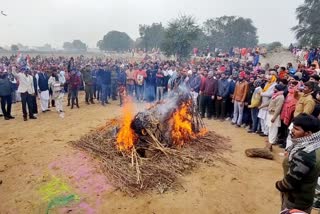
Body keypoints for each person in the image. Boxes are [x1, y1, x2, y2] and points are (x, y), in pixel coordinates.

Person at [276, 114, 320, 214]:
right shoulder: (315, 144)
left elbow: (288, 184)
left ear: (308, 133)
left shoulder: (305, 155)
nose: (292, 130)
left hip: (295, 201)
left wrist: (278, 185)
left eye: (296, 129)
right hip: (306, 196)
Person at [265, 84, 285, 151]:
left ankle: (270, 144)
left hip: (274, 115)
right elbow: (269, 102)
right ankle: (269, 145)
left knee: (273, 130)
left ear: (277, 89)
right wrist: (262, 106)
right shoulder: (275, 95)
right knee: (270, 129)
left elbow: (278, 108)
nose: (273, 89)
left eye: (275, 88)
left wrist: (274, 117)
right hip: (270, 114)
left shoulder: (281, 97)